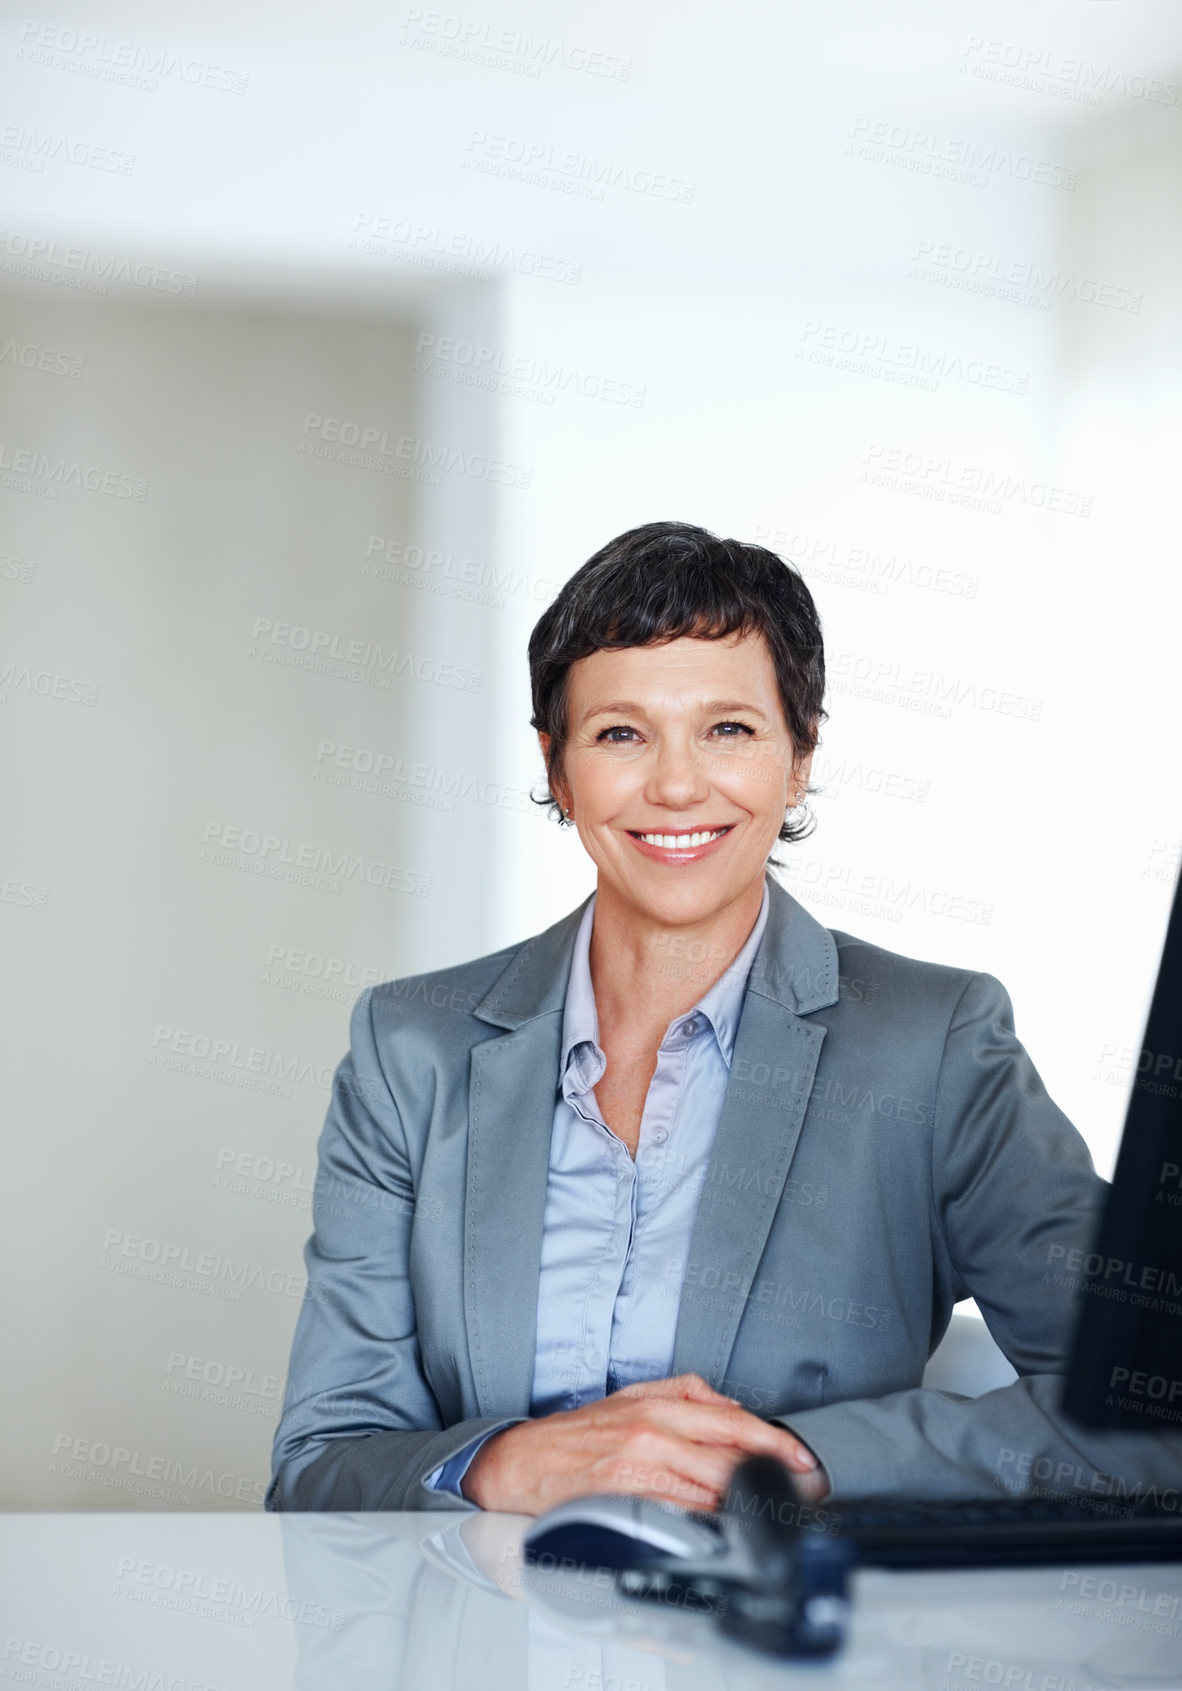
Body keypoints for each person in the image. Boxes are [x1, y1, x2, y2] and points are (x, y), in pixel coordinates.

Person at [267, 521, 1177, 1515]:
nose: (675, 783)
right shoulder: (411, 1050)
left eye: (730, 728)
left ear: (799, 756)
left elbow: (1152, 1417)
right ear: (558, 765)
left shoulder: (935, 1046)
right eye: (621, 732)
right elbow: (321, 1463)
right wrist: (501, 1462)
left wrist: (800, 1459)